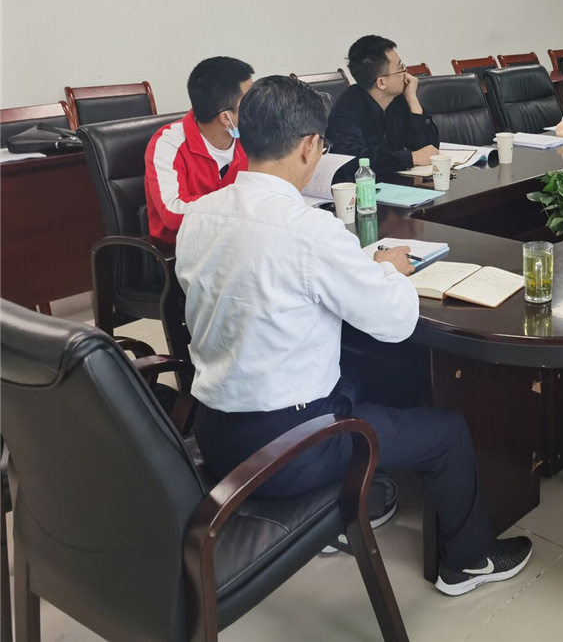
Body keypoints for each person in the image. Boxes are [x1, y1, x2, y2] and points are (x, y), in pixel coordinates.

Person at [176, 76, 531, 596]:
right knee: (447, 433)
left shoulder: (200, 214)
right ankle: (469, 562)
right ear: (309, 147)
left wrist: (357, 270)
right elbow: (396, 321)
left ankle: (368, 487)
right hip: (289, 451)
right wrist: (391, 271)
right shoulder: (309, 230)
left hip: (215, 432)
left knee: (359, 375)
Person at [144, 56, 253, 244]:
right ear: (226, 118)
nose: (258, 107)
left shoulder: (250, 135)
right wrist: (237, 203)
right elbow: (173, 212)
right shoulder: (168, 143)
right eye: (250, 102)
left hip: (236, 237)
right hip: (183, 247)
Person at [327, 35, 440, 180]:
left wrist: (412, 99)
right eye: (401, 68)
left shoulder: (399, 98)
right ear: (381, 83)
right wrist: (411, 158)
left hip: (398, 184)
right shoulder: (347, 107)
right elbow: (353, 160)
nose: (406, 74)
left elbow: (430, 149)